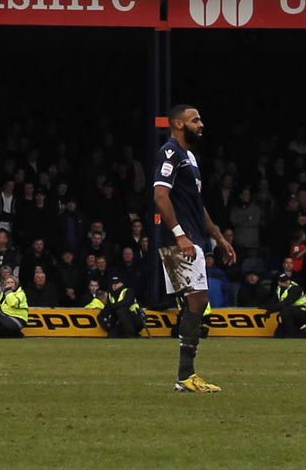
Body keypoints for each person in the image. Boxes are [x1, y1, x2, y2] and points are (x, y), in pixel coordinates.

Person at [152, 103, 236, 394]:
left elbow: (197, 207)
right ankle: (185, 376)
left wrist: (219, 238)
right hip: (181, 241)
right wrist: (179, 235)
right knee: (197, 301)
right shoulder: (170, 152)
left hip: (194, 239)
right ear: (178, 124)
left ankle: (186, 375)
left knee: (195, 302)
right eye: (195, 120)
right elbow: (160, 196)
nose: (201, 124)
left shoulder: (190, 157)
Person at [0, 267, 30, 338]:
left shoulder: (20, 293)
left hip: (18, 318)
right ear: (4, 284)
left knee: (3, 326)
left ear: (16, 284)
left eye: (12, 282)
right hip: (6, 317)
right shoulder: (2, 295)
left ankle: (17, 334)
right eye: (8, 282)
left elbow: (13, 303)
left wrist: (8, 292)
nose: (10, 284)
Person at [270, 269, 306, 339]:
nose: (286, 282)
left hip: (304, 313)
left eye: (287, 280)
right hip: (291, 314)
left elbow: (286, 302)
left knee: (285, 310)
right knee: (278, 334)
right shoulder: (278, 289)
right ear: (279, 282)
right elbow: (273, 301)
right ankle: (304, 332)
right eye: (283, 281)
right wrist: (266, 308)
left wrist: (271, 310)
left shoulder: (295, 288)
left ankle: (292, 333)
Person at [100, 273, 143, 339]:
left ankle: (132, 335)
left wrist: (112, 307)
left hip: (136, 319)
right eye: (113, 284)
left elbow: (125, 303)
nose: (114, 286)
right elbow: (107, 309)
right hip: (121, 322)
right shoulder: (110, 295)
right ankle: (130, 335)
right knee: (112, 335)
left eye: (116, 284)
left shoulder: (128, 291)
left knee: (121, 311)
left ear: (121, 284)